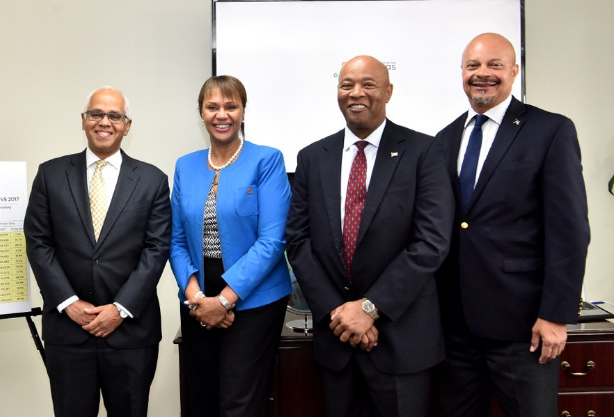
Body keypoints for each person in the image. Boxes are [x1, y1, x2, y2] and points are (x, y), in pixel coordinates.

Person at [285, 55, 454, 417]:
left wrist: (369, 309)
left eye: (368, 84)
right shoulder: (313, 157)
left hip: (402, 340)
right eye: (346, 85)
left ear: (388, 91)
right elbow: (298, 243)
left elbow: (431, 243)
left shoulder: (424, 152)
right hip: (337, 339)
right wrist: (341, 315)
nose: (356, 93)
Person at [435, 33, 590, 417]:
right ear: (462, 73)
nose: (482, 74)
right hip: (455, 329)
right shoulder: (444, 138)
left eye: (494, 65)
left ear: (514, 71)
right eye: (473, 66)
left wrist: (556, 314)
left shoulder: (550, 130)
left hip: (525, 328)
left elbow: (569, 230)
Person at [23, 86, 171, 417]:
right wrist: (69, 303)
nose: (105, 122)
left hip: (131, 333)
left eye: (114, 115)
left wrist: (119, 309)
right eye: (96, 114)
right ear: (83, 120)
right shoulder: (50, 174)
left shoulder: (152, 180)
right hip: (68, 331)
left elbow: (156, 248)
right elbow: (38, 240)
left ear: (127, 125)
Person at [169, 75, 292, 417]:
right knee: (202, 401)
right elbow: (176, 240)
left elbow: (273, 240)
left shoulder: (266, 160)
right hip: (198, 298)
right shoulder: (185, 165)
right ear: (202, 113)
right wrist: (197, 299)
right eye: (212, 106)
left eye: (230, 106)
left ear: (242, 111)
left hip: (255, 301)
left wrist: (224, 300)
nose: (221, 114)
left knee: (239, 404)